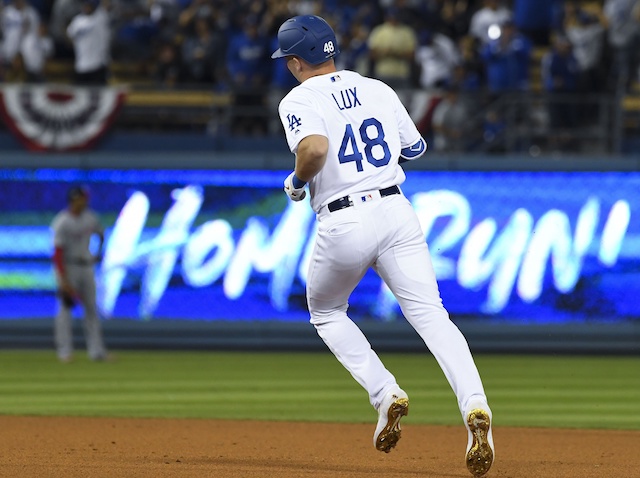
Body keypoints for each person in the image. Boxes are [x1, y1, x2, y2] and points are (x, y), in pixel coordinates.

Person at [271, 14, 494, 477]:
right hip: (396, 209)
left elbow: (312, 150)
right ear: (330, 51)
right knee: (433, 316)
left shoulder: (298, 97)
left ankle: (385, 393)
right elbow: (413, 149)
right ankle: (475, 406)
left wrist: (295, 181)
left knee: (327, 312)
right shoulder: (378, 87)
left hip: (344, 218)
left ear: (295, 61)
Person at [51, 186, 111, 363]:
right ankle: (64, 351)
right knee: (65, 310)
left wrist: (97, 253)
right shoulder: (62, 221)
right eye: (82, 198)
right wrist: (63, 279)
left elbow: (101, 234)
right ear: (74, 199)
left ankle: (97, 351)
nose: (85, 201)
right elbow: (57, 253)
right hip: (69, 266)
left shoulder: (90, 217)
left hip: (86, 266)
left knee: (92, 309)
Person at [66, 0, 110, 85]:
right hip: (81, 65)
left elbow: (106, 4)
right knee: (80, 95)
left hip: (97, 65)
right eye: (86, 5)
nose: (87, 8)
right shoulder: (78, 20)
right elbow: (69, 34)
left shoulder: (100, 17)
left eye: (90, 6)